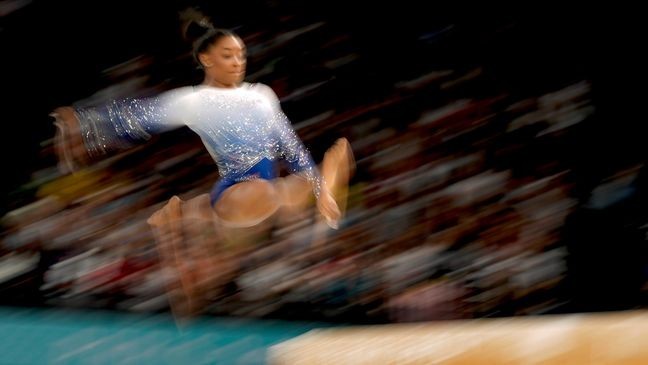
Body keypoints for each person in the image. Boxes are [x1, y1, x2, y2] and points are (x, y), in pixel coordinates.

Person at [50, 14, 354, 318]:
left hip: (261, 195)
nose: (237, 62)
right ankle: (188, 218)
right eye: (227, 56)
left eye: (241, 55)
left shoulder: (262, 96)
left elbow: (291, 146)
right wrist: (82, 123)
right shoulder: (194, 101)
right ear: (206, 59)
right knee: (271, 194)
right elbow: (136, 116)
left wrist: (320, 189)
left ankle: (183, 215)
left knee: (310, 176)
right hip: (235, 193)